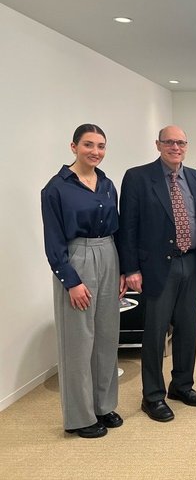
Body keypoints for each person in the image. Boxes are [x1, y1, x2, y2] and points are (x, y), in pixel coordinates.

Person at [118, 125, 196, 423]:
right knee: (156, 334)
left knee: (188, 330)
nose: (175, 147)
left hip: (191, 262)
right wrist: (131, 268)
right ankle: (153, 396)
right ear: (158, 145)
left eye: (181, 142)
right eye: (169, 142)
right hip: (157, 267)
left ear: (187, 146)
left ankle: (182, 385)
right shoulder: (138, 177)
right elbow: (128, 226)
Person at [41, 124, 125, 438]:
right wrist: (71, 281)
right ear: (73, 146)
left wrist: (121, 269)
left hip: (109, 253)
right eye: (88, 144)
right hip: (77, 258)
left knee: (106, 337)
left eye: (101, 146)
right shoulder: (56, 188)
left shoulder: (107, 184)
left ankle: (103, 405)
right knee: (78, 341)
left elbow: (117, 228)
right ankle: (80, 417)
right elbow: (53, 241)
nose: (95, 151)